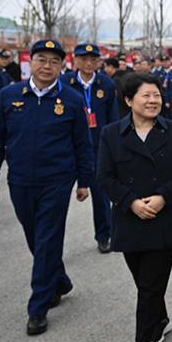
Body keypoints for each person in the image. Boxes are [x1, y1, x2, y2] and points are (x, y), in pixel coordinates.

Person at [0, 40, 93, 336]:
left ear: (62, 67)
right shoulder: (9, 95)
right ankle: (59, 280)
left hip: (57, 180)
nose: (47, 66)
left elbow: (82, 144)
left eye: (54, 61)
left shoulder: (71, 99)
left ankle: (38, 308)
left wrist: (84, 181)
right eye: (41, 59)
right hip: (20, 179)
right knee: (35, 237)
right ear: (29, 63)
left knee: (47, 238)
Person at [97, 72, 172, 342]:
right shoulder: (111, 133)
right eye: (146, 96)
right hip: (130, 219)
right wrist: (131, 202)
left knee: (150, 283)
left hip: (163, 218)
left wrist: (163, 197)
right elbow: (105, 176)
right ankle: (160, 318)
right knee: (145, 281)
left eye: (157, 95)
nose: (153, 101)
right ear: (128, 100)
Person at [60, 44, 119, 254]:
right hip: (69, 147)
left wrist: (114, 147)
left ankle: (104, 235)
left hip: (97, 147)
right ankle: (53, 243)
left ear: (99, 61)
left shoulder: (107, 83)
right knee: (58, 198)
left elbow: (113, 118)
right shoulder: (64, 82)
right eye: (83, 58)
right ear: (74, 60)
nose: (88, 63)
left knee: (101, 195)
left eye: (93, 59)